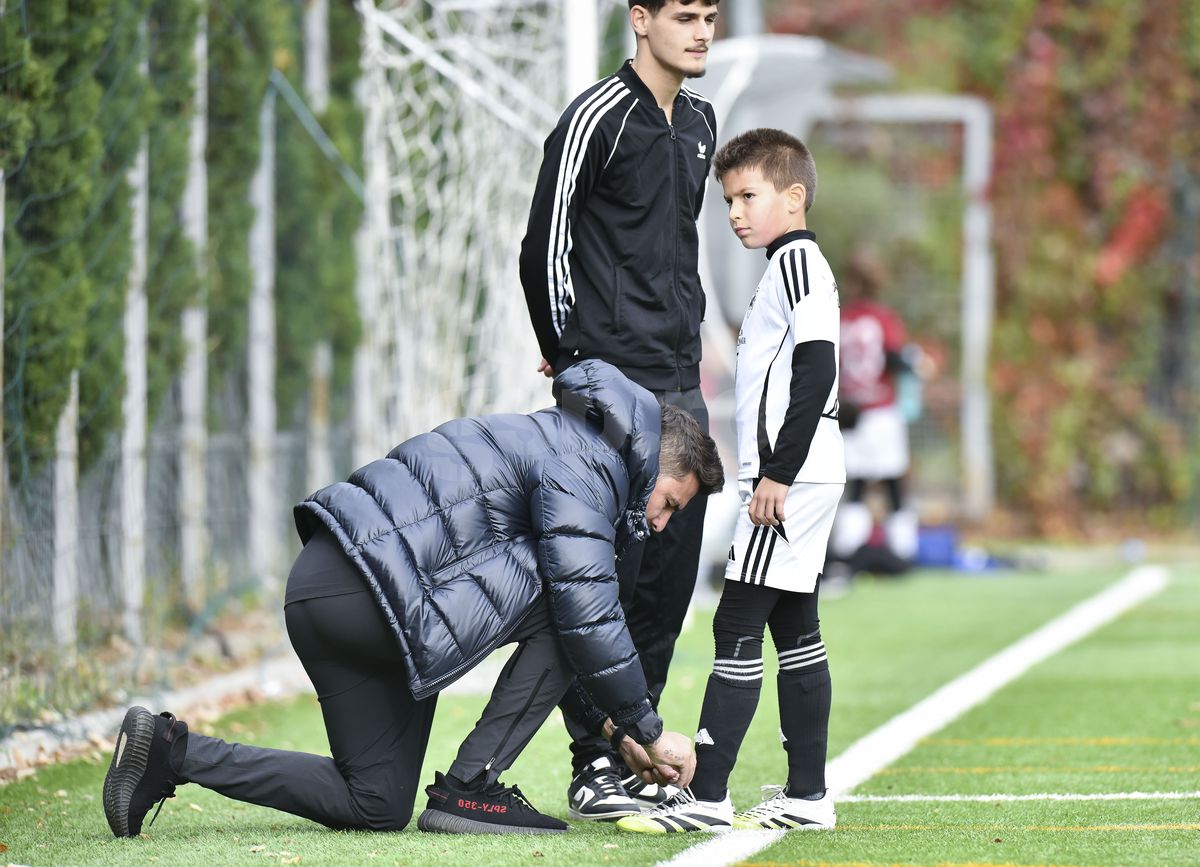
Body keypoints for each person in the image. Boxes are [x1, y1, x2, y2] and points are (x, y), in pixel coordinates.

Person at [102, 360, 724, 839]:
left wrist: (619, 738)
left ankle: (169, 750)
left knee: (375, 802)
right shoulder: (588, 464)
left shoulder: (563, 438)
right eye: (670, 502)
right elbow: (583, 615)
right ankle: (472, 785)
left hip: (325, 592)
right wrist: (649, 728)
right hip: (371, 596)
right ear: (650, 462)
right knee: (576, 602)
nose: (663, 522)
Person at [517, 0, 722, 820]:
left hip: (683, 382)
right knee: (608, 573)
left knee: (668, 580)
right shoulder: (595, 117)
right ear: (641, 20)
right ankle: (592, 759)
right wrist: (571, 355)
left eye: (711, 15)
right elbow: (545, 243)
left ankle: (637, 753)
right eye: (684, 15)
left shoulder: (703, 123)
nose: (702, 30)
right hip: (614, 384)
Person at [618, 128, 844, 834]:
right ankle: (807, 794)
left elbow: (817, 369)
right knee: (793, 624)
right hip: (797, 474)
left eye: (749, 195)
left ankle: (708, 795)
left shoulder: (800, 263)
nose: (737, 211)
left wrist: (777, 472)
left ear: (794, 196)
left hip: (791, 477)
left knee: (736, 619)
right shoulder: (780, 267)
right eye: (729, 200)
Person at [829, 248, 920, 577]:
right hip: (881, 411)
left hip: (852, 413)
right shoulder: (883, 318)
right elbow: (894, 358)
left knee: (857, 483)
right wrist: (915, 365)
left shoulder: (841, 318)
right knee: (893, 481)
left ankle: (846, 549)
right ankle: (904, 550)